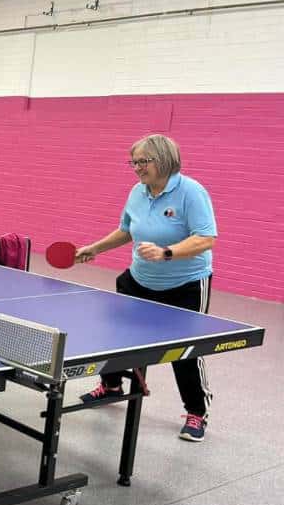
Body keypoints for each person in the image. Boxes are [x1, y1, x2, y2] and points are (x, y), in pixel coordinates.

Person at [75, 134, 217, 442]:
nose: (137, 168)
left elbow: (206, 238)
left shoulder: (191, 192)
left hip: (186, 285)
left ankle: (197, 411)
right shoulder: (137, 192)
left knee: (184, 350)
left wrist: (168, 253)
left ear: (163, 160)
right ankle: (111, 386)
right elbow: (127, 230)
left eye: (143, 161)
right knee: (116, 336)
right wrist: (96, 247)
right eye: (134, 162)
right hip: (140, 279)